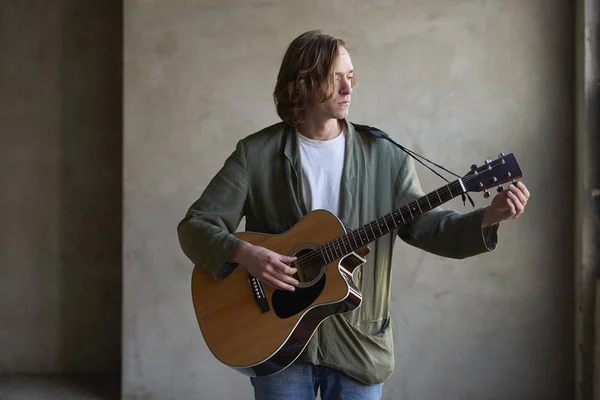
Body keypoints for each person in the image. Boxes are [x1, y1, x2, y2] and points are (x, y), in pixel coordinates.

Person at [177, 30, 530, 400]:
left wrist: (487, 218)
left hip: (359, 342)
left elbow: (426, 227)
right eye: (335, 78)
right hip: (276, 342)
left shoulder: (386, 156)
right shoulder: (256, 154)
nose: (348, 89)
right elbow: (196, 226)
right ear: (303, 83)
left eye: (351, 77)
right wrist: (245, 254)